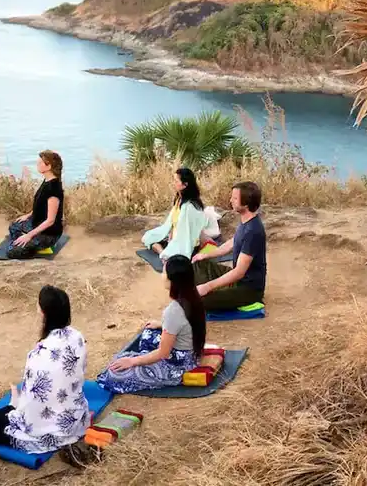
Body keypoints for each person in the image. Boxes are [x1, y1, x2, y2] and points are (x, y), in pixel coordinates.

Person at [0, 285, 90, 453]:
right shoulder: (77, 337)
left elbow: (33, 405)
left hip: (43, 434)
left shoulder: (39, 355)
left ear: (43, 312)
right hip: (76, 423)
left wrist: (16, 409)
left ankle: (11, 406)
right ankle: (11, 407)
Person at [97, 256, 208, 393]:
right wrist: (162, 325)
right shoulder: (193, 296)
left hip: (177, 365)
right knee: (148, 333)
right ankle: (143, 358)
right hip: (192, 354)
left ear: (172, 281)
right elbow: (185, 325)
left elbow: (163, 353)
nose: (162, 276)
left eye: (164, 273)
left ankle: (149, 365)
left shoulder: (173, 311)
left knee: (114, 374)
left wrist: (133, 361)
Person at [190, 181, 267, 311]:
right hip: (237, 280)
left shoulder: (253, 231)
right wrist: (204, 255)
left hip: (247, 289)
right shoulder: (245, 221)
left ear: (246, 203)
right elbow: (229, 245)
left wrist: (208, 286)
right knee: (197, 264)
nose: (231, 200)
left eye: (235, 198)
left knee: (196, 300)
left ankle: (203, 290)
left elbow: (239, 273)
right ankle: (202, 287)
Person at [141, 167, 214, 260]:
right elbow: (171, 223)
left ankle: (164, 253)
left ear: (185, 185)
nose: (173, 183)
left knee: (165, 251)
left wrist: (173, 242)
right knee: (149, 238)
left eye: (176, 181)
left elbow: (187, 234)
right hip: (174, 237)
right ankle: (164, 252)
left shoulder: (190, 207)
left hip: (185, 243)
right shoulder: (179, 199)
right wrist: (170, 237)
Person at [6, 151, 65, 259]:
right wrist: (28, 215)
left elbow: (50, 220)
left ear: (49, 166)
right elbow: (41, 205)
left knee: (12, 252)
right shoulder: (46, 181)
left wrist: (29, 235)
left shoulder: (54, 189)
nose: (37, 164)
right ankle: (30, 242)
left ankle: (45, 247)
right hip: (36, 224)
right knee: (14, 226)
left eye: (40, 163)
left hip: (49, 233)